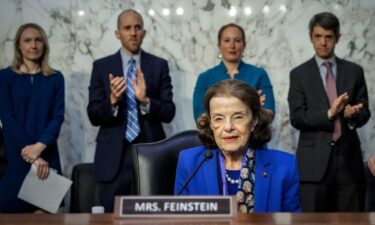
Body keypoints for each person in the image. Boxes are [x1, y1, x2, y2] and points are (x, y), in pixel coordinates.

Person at [87, 9, 176, 212]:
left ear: (144, 32)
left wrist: (145, 100)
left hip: (152, 153)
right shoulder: (101, 66)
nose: (133, 32)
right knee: (112, 215)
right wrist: (112, 101)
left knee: (154, 216)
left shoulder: (159, 65)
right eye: (127, 28)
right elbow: (93, 114)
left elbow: (169, 112)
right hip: (113, 160)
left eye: (138, 27)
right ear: (118, 33)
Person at [175, 79, 301, 213]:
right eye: (218, 119)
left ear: (253, 121)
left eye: (238, 117)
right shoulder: (189, 162)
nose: (228, 127)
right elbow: (180, 218)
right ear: (211, 124)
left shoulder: (285, 166)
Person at [288, 12, 370, 212]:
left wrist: (353, 115)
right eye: (318, 36)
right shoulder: (299, 74)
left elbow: (364, 111)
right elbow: (297, 117)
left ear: (338, 38)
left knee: (351, 222)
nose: (323, 42)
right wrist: (329, 114)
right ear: (311, 37)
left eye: (328, 37)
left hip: (349, 163)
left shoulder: (354, 71)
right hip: (313, 164)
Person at [0, 23, 65, 212]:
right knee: (9, 216)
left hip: (47, 156)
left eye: (38, 40)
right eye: (27, 40)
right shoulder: (4, 77)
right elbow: (7, 118)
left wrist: (39, 147)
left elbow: (57, 117)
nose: (33, 45)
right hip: (14, 159)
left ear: (44, 44)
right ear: (19, 45)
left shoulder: (55, 78)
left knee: (43, 218)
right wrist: (33, 156)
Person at [193, 23, 275, 121]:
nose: (232, 45)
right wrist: (251, 106)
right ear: (219, 45)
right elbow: (200, 118)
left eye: (237, 41)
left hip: (254, 135)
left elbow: (269, 114)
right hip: (215, 135)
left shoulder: (259, 74)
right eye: (227, 40)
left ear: (243, 45)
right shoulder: (205, 78)